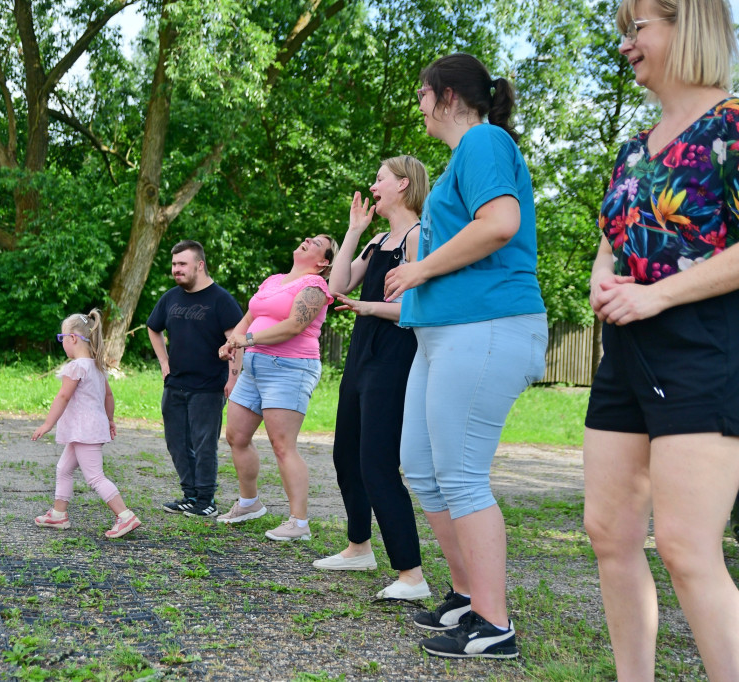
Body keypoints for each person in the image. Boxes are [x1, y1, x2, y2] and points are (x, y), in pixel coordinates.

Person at [583, 1, 739, 679]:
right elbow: (610, 241)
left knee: (685, 546)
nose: (627, 45)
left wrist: (655, 294)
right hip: (625, 350)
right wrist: (604, 278)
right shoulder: (632, 147)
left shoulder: (732, 125)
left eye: (637, 28)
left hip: (702, 345)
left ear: (687, 25)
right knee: (609, 533)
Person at [383, 54, 547, 659]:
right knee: (421, 467)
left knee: (460, 475)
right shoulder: (463, 158)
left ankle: (493, 622)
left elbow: (501, 223)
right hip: (444, 333)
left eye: (421, 95)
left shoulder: (483, 141)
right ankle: (465, 594)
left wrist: (421, 266)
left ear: (443, 94)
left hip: (488, 326)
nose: (419, 107)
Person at [315, 156, 430, 602]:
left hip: (395, 355)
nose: (373, 186)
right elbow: (337, 284)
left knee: (377, 464)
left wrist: (368, 308)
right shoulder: (380, 239)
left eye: (380, 179)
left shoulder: (420, 238)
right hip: (363, 356)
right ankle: (359, 548)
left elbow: (417, 308)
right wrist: (353, 232)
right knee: (346, 456)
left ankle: (412, 574)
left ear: (403, 184)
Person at [216, 235, 336, 541]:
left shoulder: (315, 286)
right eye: (309, 237)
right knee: (236, 436)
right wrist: (233, 341)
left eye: (318, 242)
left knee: (282, 445)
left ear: (323, 262)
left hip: (290, 369)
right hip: (255, 367)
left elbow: (295, 325)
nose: (309, 239)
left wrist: (250, 340)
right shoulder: (275, 280)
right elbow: (249, 316)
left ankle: (299, 522)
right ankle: (249, 503)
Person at [147, 240, 244, 518]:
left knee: (204, 444)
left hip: (208, 386)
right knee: (176, 442)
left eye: (182, 265)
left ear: (199, 265)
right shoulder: (170, 298)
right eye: (174, 264)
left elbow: (235, 343)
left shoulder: (220, 299)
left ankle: (206, 499)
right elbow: (153, 328)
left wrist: (232, 378)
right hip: (175, 384)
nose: (176, 270)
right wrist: (164, 362)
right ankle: (190, 495)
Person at [31, 310, 140, 539]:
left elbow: (63, 397)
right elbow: (108, 397)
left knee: (95, 477)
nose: (62, 344)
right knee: (64, 468)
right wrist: (110, 419)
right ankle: (59, 514)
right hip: (86, 430)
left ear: (73, 338)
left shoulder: (76, 367)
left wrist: (47, 424)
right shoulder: (97, 366)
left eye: (62, 339)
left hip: (84, 430)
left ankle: (125, 516)